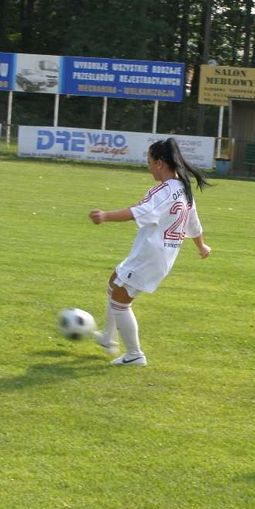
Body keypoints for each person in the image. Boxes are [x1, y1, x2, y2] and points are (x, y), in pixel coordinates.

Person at [88, 138, 212, 366]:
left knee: (121, 301)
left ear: (160, 163)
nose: (148, 167)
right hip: (160, 256)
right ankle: (107, 338)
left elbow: (138, 212)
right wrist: (201, 246)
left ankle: (134, 355)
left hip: (150, 255)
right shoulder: (184, 190)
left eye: (149, 161)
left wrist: (105, 216)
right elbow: (194, 225)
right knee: (114, 282)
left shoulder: (165, 191)